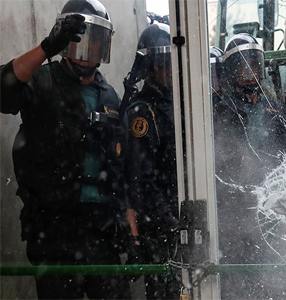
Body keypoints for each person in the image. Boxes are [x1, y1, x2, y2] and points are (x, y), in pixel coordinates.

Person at [0, 0, 131, 299]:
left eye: (96, 42)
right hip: (54, 230)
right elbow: (3, 92)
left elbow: (121, 169)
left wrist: (127, 224)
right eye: (79, 40)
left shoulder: (109, 95)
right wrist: (46, 47)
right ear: (65, 42)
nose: (87, 52)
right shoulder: (41, 80)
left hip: (101, 230)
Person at [213, 33, 286, 299]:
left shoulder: (274, 106)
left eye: (254, 64)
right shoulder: (220, 109)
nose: (250, 72)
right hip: (236, 209)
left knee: (275, 277)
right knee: (238, 277)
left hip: (272, 204)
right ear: (230, 72)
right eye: (243, 66)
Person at [124, 22, 180, 299]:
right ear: (149, 68)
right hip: (161, 229)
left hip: (181, 220)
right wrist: (171, 224)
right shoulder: (142, 111)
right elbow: (142, 179)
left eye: (172, 62)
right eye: (162, 63)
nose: (169, 70)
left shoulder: (178, 104)